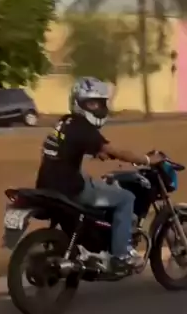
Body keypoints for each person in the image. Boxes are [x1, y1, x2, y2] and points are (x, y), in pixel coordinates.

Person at [36, 77, 161, 272]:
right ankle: (121, 255)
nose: (98, 108)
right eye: (92, 104)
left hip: (46, 183)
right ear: (79, 103)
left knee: (94, 182)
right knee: (126, 198)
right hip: (70, 188)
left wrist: (98, 152)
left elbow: (70, 146)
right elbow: (115, 151)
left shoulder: (65, 122)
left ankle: (94, 241)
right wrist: (146, 159)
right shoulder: (84, 128)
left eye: (100, 103)